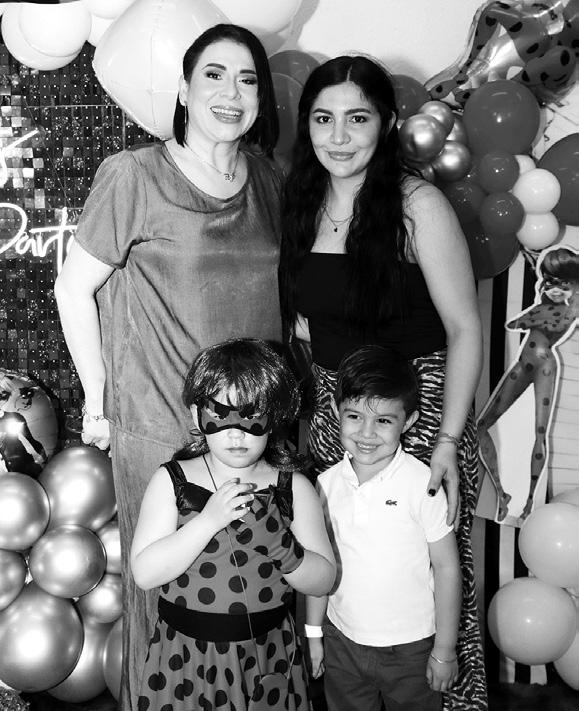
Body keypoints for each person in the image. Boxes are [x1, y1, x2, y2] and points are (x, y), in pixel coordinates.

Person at [54, 24, 283, 710]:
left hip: (253, 428)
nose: (231, 92)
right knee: (164, 603)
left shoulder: (269, 180)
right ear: (183, 89)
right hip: (161, 427)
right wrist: (99, 398)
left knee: (251, 589)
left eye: (247, 79)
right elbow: (72, 289)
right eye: (214, 74)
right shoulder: (135, 175)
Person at [279, 56, 486, 710]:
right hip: (334, 416)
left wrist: (447, 440)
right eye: (322, 119)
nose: (338, 136)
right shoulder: (302, 202)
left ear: (388, 122)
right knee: (341, 562)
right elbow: (308, 318)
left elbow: (463, 327)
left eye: (357, 118)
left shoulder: (417, 204)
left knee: (423, 572)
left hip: (415, 416)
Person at [131, 338, 335, 710]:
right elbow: (144, 574)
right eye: (220, 414)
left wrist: (281, 546)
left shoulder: (293, 487)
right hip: (187, 659)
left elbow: (323, 580)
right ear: (198, 416)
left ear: (274, 416)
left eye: (251, 415)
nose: (236, 433)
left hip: (267, 655)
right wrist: (207, 521)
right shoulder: (173, 481)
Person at [306, 345, 461, 711]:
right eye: (354, 416)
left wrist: (444, 649)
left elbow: (447, 568)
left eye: (384, 421)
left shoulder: (423, 484)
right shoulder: (324, 485)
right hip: (342, 642)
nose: (367, 433)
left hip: (411, 648)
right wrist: (314, 634)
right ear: (335, 412)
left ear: (408, 421)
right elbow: (318, 568)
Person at [477, 246, 579, 522]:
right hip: (524, 363)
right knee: (481, 426)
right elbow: (515, 324)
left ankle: (530, 502)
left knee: (539, 434)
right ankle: (502, 494)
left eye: (564, 285)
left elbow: (520, 323)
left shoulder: (565, 312)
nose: (555, 289)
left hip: (544, 367)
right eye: (551, 282)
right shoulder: (543, 307)